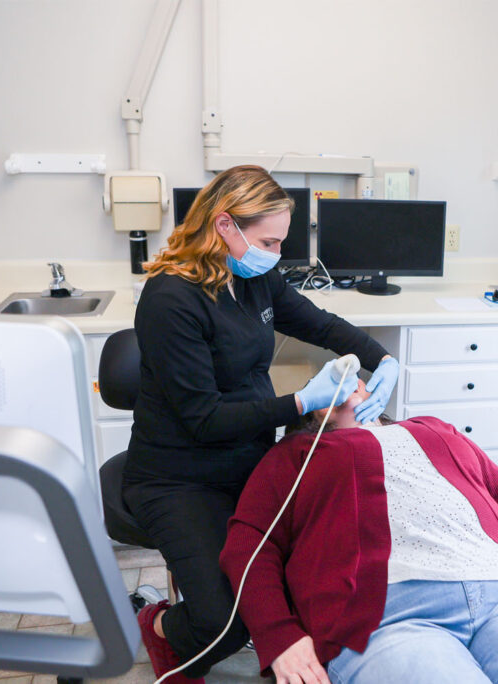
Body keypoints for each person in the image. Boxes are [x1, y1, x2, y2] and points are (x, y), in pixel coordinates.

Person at [124, 165, 400, 682]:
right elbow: (203, 419)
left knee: (302, 579)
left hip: (249, 458)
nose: (275, 253)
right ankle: (159, 627)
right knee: (224, 621)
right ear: (225, 225)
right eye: (268, 241)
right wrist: (300, 403)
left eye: (279, 242)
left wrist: (380, 357)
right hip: (179, 476)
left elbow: (317, 321)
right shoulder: (169, 299)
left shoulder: (254, 276)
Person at [220, 380, 498, 684]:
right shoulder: (296, 455)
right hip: (387, 616)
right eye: (325, 388)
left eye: (354, 381)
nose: (343, 384)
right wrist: (279, 636)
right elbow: (248, 544)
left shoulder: (432, 428)